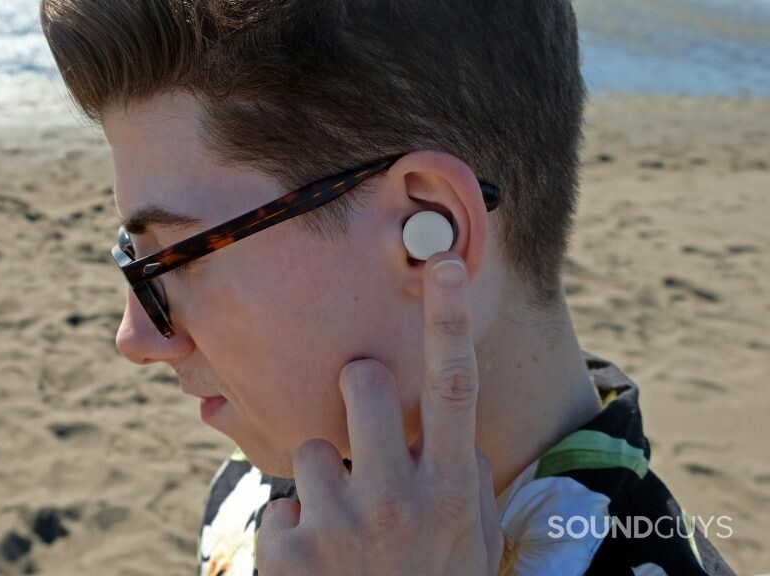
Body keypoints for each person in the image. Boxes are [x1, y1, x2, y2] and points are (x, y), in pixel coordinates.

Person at [39, 1, 736, 574]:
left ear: (427, 232)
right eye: (133, 255)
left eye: (175, 260)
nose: (136, 338)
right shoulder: (271, 490)